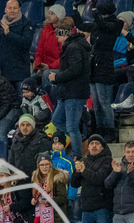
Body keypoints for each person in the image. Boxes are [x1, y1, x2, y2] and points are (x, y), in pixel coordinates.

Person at [74, 1, 123, 141]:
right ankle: (100, 128)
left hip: (105, 62)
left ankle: (110, 129)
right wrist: (75, 11)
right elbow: (82, 25)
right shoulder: (97, 22)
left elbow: (104, 25)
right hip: (93, 62)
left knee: (104, 100)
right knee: (96, 101)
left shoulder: (116, 23)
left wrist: (94, 10)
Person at [49, 18, 91, 155]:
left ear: (63, 34)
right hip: (66, 92)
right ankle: (81, 140)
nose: (57, 38)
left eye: (58, 35)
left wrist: (57, 77)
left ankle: (77, 156)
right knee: (57, 120)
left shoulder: (73, 47)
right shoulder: (72, 46)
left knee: (72, 127)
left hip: (74, 93)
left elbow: (75, 69)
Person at [71, 135, 117, 223]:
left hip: (102, 207)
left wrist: (84, 170)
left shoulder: (107, 161)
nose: (94, 146)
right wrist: (76, 172)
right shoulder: (84, 161)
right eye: (92, 143)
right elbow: (74, 184)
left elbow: (99, 178)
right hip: (87, 208)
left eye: (97, 143)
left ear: (102, 147)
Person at [0, 0, 36, 91]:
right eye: (9, 8)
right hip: (2, 73)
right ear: (5, 9)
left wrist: (9, 34)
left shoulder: (26, 24)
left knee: (21, 101)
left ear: (19, 9)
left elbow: (26, 43)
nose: (12, 10)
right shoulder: (0, 24)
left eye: (15, 8)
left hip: (19, 72)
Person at [29, 152, 69, 223]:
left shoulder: (57, 178)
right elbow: (37, 196)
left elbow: (62, 198)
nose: (44, 167)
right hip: (43, 218)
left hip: (55, 218)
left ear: (51, 164)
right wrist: (34, 200)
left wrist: (49, 201)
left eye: (47, 164)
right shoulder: (38, 180)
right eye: (42, 165)